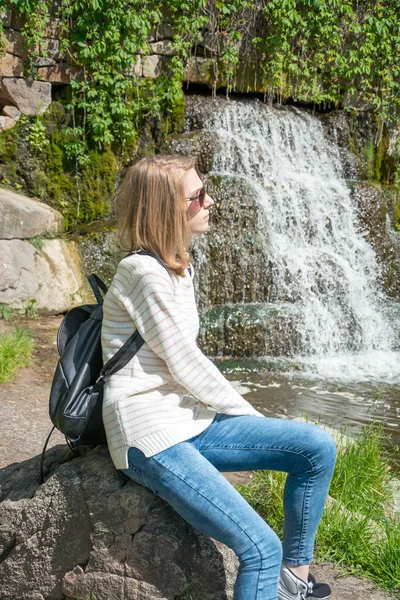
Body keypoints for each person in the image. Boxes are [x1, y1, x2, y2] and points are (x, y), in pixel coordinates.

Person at [101, 155, 336, 600]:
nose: (212, 201)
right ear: (165, 209)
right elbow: (185, 363)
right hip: (149, 433)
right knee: (260, 547)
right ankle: (274, 574)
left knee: (315, 448)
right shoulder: (141, 273)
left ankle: (293, 582)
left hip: (187, 420)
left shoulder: (177, 265)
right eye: (198, 196)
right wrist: (251, 416)